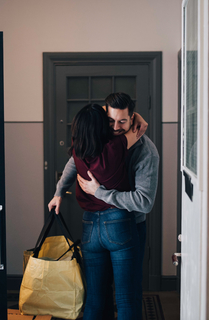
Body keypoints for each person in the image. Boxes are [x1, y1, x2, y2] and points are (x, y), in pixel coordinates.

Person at [48, 92, 160, 320]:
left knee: (107, 297)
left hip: (120, 223)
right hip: (107, 224)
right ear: (103, 118)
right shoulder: (100, 140)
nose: (116, 127)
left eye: (123, 121)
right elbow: (73, 162)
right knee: (114, 297)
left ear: (132, 120)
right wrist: (59, 191)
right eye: (111, 121)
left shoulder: (145, 151)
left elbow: (144, 202)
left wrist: (100, 193)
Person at [67, 103, 141, 320]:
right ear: (103, 127)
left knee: (95, 298)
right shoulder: (116, 147)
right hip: (118, 221)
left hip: (90, 225)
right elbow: (140, 126)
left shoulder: (77, 151)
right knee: (126, 297)